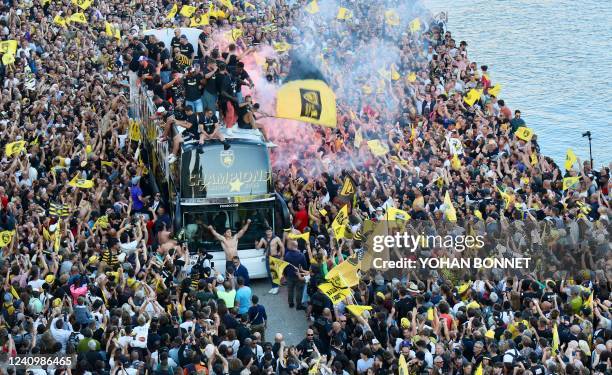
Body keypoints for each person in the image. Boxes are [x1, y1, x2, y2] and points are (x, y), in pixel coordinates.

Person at [256, 227, 284, 295]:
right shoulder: (263, 239)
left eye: (270, 231)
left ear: (272, 231)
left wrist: (282, 255)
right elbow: (258, 248)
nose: (268, 233)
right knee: (269, 273)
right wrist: (256, 244)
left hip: (274, 257)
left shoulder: (276, 238)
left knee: (274, 273)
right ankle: (273, 287)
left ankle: (276, 287)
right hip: (267, 257)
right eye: (267, 231)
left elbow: (282, 246)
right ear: (266, 232)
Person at [283, 241, 307, 309]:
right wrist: (303, 274)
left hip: (290, 276)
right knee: (299, 291)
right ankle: (298, 305)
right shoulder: (301, 255)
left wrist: (285, 274)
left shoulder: (287, 255)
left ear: (292, 246)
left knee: (290, 290)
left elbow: (285, 266)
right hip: (299, 275)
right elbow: (304, 266)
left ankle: (291, 303)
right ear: (296, 246)